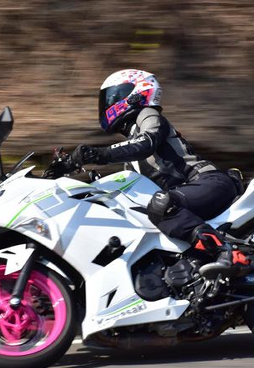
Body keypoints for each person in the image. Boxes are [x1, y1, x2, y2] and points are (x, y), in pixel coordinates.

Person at [68, 69, 241, 276]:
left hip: (209, 182)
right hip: (187, 194)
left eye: (114, 96)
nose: (108, 103)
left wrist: (98, 154)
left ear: (136, 92)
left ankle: (225, 251)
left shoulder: (148, 115)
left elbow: (147, 143)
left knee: (161, 205)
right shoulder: (131, 152)